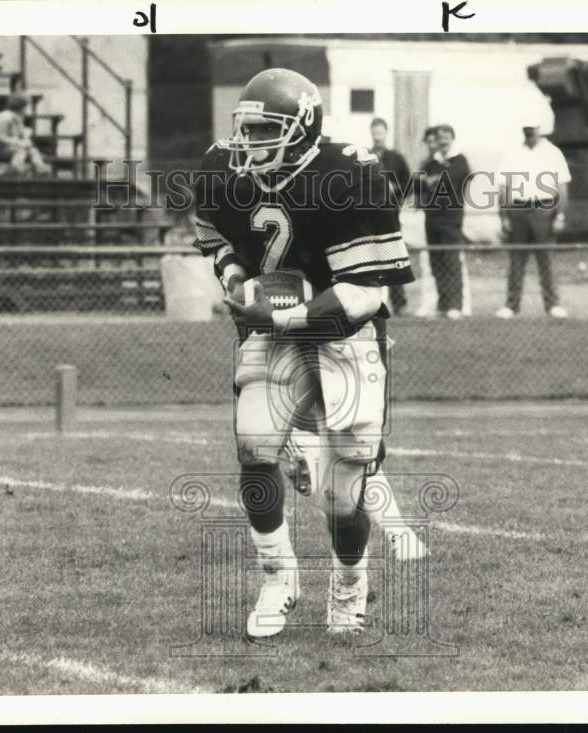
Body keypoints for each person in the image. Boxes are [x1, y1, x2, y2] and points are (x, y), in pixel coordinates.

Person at [194, 68, 420, 638]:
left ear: (302, 130)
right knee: (254, 447)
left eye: (265, 131)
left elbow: (366, 293)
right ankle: (278, 575)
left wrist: (279, 314)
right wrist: (238, 276)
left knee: (344, 491)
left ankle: (349, 583)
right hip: (271, 325)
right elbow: (216, 236)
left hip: (345, 330)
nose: (249, 144)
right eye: (246, 130)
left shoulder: (351, 173)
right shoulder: (222, 168)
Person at [495, 120, 571, 319]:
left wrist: (560, 216)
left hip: (544, 210)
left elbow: (562, 188)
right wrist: (504, 216)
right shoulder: (512, 153)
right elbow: (503, 187)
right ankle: (511, 305)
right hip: (518, 210)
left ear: (540, 128)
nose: (529, 132)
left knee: (545, 259)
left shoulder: (553, 153)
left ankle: (552, 304)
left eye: (533, 128)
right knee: (516, 260)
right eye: (526, 129)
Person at [419, 124, 470, 319]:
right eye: (440, 137)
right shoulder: (432, 161)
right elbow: (419, 181)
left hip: (451, 218)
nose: (443, 140)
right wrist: (429, 180)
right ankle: (444, 303)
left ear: (452, 138)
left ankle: (455, 305)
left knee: (451, 260)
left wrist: (433, 179)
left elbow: (451, 179)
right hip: (432, 217)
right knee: (436, 261)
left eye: (447, 137)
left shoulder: (460, 160)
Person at [369, 117, 412, 315]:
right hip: (371, 218)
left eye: (381, 132)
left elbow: (408, 184)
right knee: (371, 261)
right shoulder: (365, 156)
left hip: (392, 216)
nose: (378, 136)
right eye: (375, 132)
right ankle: (374, 303)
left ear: (386, 133)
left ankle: (399, 303)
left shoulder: (396, 157)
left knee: (394, 258)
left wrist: (395, 190)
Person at [0, 92, 52, 176]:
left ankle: (41, 170)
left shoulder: (19, 117)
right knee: (21, 150)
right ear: (20, 106)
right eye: (26, 106)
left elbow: (21, 135)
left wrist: (26, 141)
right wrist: (17, 142)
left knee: (32, 150)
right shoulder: (5, 117)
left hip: (12, 146)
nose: (26, 109)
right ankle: (14, 169)